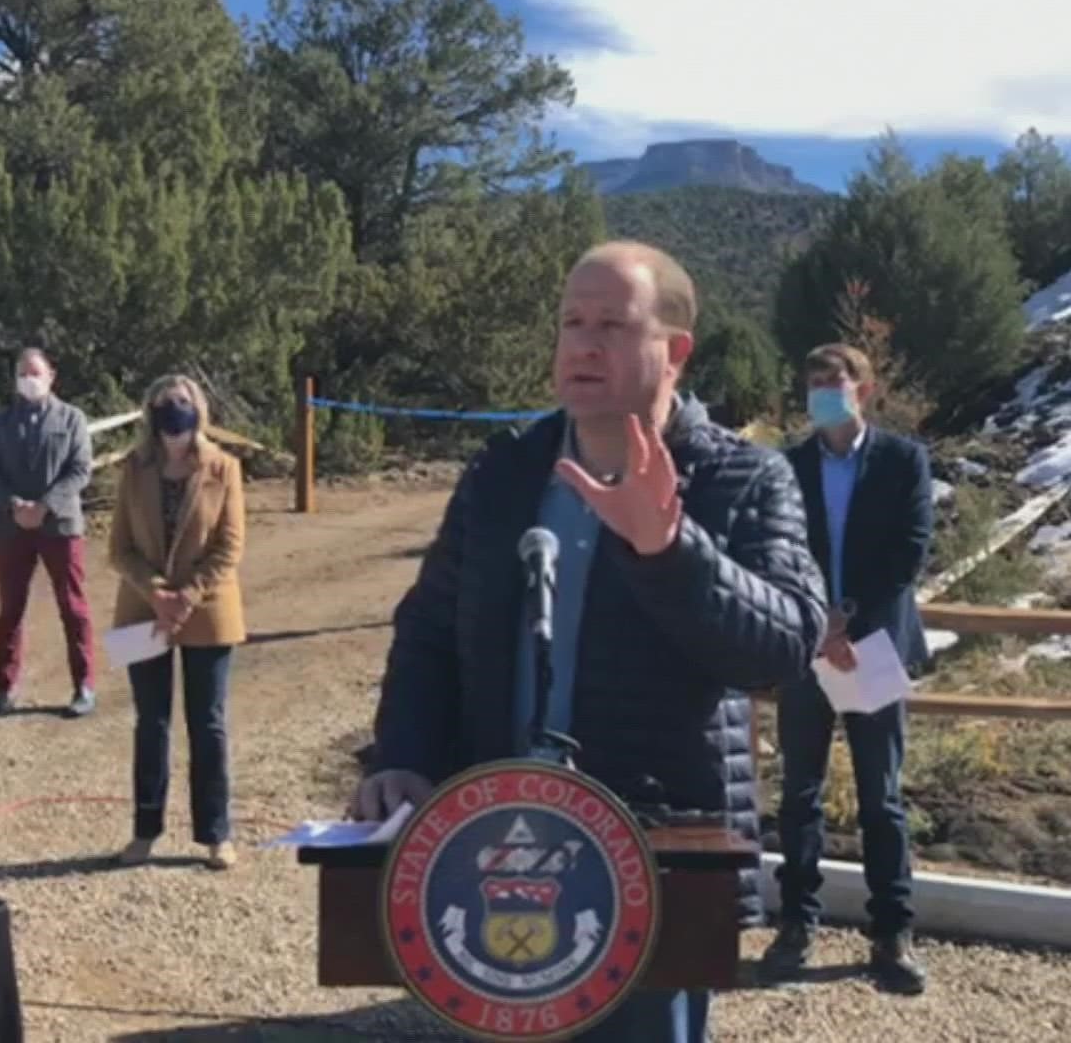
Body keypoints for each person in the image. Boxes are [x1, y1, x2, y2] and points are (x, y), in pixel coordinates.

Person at [350, 240, 828, 1042]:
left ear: (674, 351)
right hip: (494, 847)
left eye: (611, 322)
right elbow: (430, 630)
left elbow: (784, 643)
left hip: (650, 860)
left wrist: (669, 549)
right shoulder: (504, 474)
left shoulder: (743, 479)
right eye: (571, 321)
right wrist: (403, 754)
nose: (583, 342)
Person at [761, 342, 935, 994]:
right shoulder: (788, 465)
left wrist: (847, 619)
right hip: (805, 649)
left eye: (835, 380)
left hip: (871, 646)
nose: (822, 390)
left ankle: (892, 931)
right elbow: (774, 547)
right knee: (799, 794)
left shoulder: (903, 461)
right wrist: (816, 624)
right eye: (812, 381)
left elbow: (909, 550)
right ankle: (796, 925)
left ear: (865, 389)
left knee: (880, 798)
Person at [108, 375, 246, 870]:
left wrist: (187, 595)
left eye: (182, 403)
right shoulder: (133, 468)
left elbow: (229, 546)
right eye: (164, 404)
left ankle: (216, 834)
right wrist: (156, 592)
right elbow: (118, 549)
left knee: (207, 723)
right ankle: (145, 831)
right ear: (151, 412)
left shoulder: (224, 467)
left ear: (199, 410)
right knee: (151, 722)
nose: (174, 411)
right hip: (143, 609)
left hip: (207, 609)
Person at [0, 348, 98, 718]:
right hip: (11, 527)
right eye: (22, 374)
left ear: (51, 376)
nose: (29, 380)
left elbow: (80, 470)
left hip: (60, 525)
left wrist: (45, 505)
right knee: (10, 610)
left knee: (73, 607)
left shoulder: (71, 419)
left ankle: (84, 686)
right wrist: (14, 504)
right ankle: (3, 689)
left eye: (35, 373)